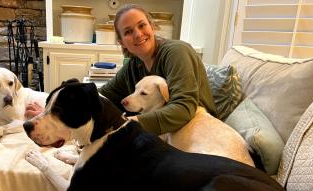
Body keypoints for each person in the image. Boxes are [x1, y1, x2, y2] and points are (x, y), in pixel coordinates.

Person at [26, 4, 217, 136]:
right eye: (128, 32)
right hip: (163, 135)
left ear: (152, 26)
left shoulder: (177, 52)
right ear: (121, 42)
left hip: (198, 130)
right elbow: (101, 97)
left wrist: (131, 124)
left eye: (142, 25)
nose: (138, 34)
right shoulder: (134, 65)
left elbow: (184, 109)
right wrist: (51, 112)